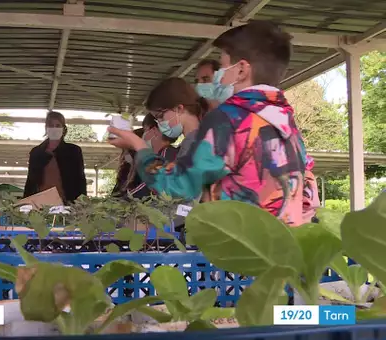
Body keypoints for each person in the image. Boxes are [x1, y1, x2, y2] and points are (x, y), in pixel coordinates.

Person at [108, 21, 310, 226]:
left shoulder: (230, 119)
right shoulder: (288, 123)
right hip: (280, 248)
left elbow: (177, 185)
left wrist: (139, 146)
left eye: (222, 67)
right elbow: (306, 197)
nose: (217, 78)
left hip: (237, 248)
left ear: (241, 70)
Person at [24, 111, 87, 204]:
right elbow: (30, 181)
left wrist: (82, 203)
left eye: (57, 125)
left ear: (63, 128)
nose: (54, 128)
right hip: (40, 204)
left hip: (67, 203)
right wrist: (26, 203)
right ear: (46, 128)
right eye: (51, 125)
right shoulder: (36, 152)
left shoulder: (74, 151)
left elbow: (80, 179)